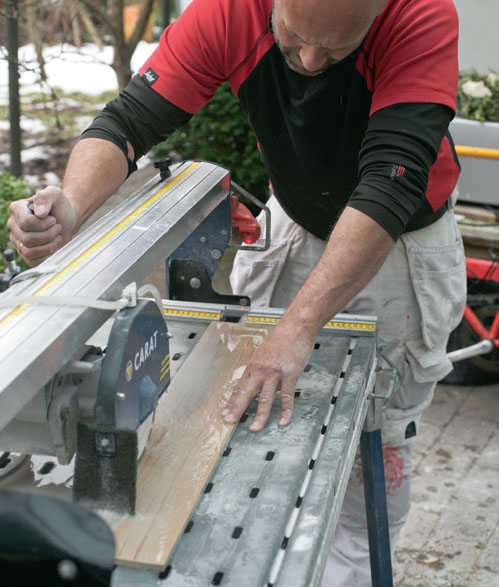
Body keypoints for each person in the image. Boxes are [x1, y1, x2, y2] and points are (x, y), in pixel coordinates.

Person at [7, 0, 467, 583]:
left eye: (337, 49)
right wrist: (72, 206)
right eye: (294, 36)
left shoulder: (421, 15)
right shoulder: (228, 10)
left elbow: (389, 186)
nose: (310, 60)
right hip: (297, 219)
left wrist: (297, 328)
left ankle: (347, 567)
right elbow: (127, 124)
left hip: (399, 241)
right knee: (254, 406)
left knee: (374, 434)